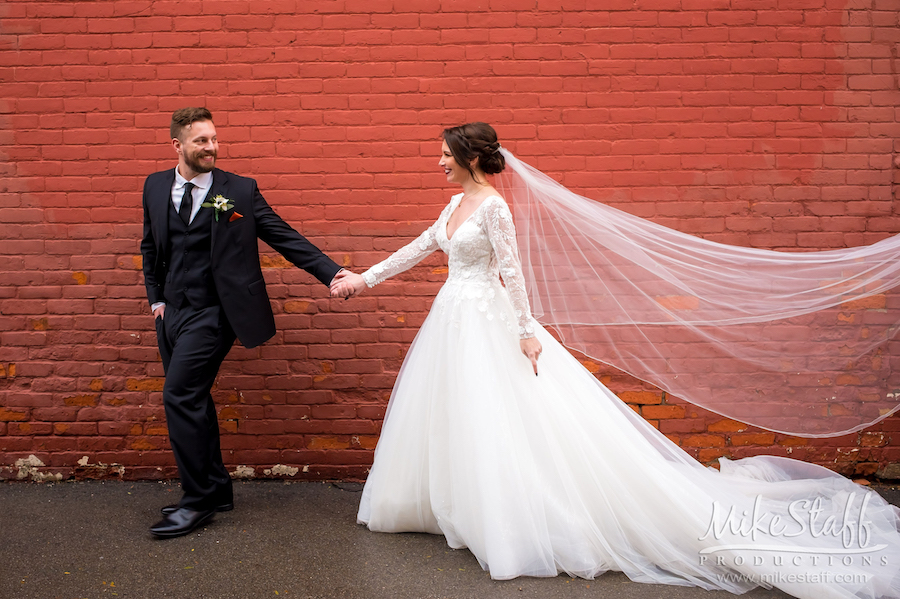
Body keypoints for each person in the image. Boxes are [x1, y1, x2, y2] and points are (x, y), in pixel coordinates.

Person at [329, 123, 900, 598]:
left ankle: (504, 518)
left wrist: (527, 332)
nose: (439, 163)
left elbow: (514, 271)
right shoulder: (455, 205)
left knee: (495, 414)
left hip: (489, 319)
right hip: (452, 317)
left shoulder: (495, 209)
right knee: (452, 413)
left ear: (472, 156)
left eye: (446, 154)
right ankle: (444, 505)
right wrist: (364, 278)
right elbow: (418, 249)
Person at [141, 107, 345, 538]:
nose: (212, 147)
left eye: (214, 139)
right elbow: (149, 245)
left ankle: (195, 502)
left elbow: (282, 235)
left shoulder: (239, 191)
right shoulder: (155, 186)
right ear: (177, 145)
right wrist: (156, 301)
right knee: (193, 396)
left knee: (179, 394)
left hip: (217, 313)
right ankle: (215, 488)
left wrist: (332, 272)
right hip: (173, 314)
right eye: (201, 141)